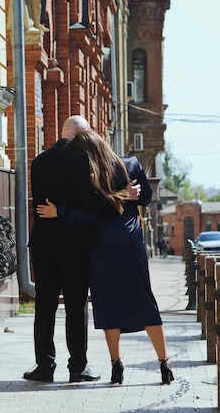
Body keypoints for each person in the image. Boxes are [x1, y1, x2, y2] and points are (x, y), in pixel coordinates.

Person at [37, 129, 174, 386]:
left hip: (101, 246)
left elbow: (89, 216)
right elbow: (146, 197)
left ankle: (116, 365)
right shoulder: (131, 163)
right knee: (145, 301)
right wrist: (129, 195)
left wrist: (60, 212)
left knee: (108, 305)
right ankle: (164, 364)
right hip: (130, 242)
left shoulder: (91, 178)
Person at [24, 115, 139, 383]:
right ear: (81, 134)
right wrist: (122, 196)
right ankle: (78, 367)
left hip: (42, 243)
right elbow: (92, 202)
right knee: (76, 307)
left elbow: (40, 205)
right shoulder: (81, 160)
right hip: (75, 245)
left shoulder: (39, 160)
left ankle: (44, 367)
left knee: (45, 306)